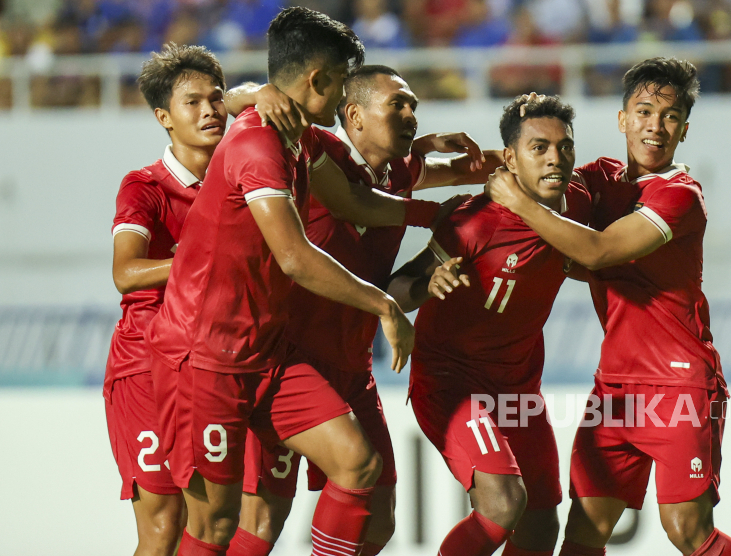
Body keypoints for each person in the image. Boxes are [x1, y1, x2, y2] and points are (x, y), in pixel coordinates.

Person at [144, 9, 447, 556]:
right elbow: (293, 257)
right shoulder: (256, 145)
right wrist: (384, 306)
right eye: (338, 85)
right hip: (203, 356)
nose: (340, 105)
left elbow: (352, 200)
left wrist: (436, 215)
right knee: (216, 524)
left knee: (358, 465)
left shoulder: (298, 138)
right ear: (318, 80)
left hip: (265, 352)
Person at [221, 64, 504, 556]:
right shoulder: (313, 153)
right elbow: (233, 99)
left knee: (379, 517)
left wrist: (545, 162)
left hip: (352, 366)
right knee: (264, 517)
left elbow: (479, 169)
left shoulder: (400, 171)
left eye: (414, 104)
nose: (412, 113)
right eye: (398, 104)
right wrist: (257, 92)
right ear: (352, 115)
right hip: (288, 361)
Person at [485, 58, 731, 556]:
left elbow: (597, 251)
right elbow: (547, 183)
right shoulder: (600, 178)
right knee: (582, 535)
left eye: (670, 117)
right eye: (644, 111)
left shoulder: (680, 194)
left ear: (684, 130)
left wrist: (521, 205)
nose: (655, 125)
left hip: (679, 385)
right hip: (616, 387)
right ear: (622, 119)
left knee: (687, 532)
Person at [387, 95, 592, 556]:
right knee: (503, 504)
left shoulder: (577, 204)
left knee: (540, 524)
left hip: (519, 388)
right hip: (451, 385)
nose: (555, 159)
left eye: (565, 148)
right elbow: (397, 289)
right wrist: (428, 285)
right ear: (511, 158)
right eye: (539, 148)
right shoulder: (474, 221)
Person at [103, 42, 227, 556]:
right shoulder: (145, 186)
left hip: (216, 365)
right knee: (163, 526)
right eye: (192, 102)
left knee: (217, 519)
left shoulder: (243, 179)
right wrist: (203, 260)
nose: (209, 111)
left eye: (216, 98)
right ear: (164, 118)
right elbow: (125, 273)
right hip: (146, 366)